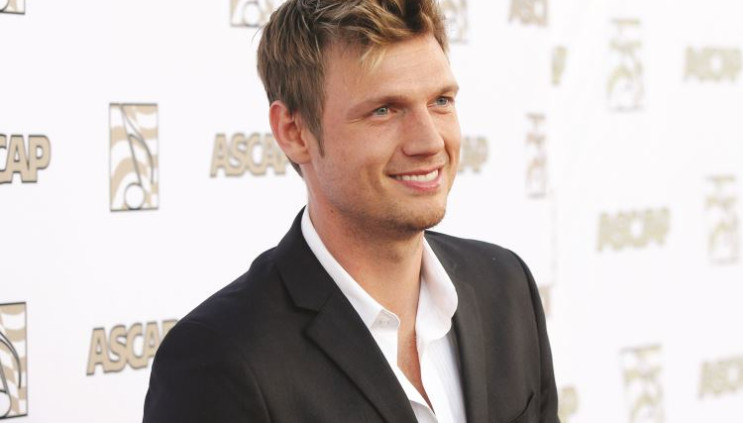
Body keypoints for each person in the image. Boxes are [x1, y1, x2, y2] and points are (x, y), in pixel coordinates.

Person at [143, 0, 558, 422]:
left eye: (441, 101)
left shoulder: (506, 289)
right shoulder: (222, 359)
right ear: (294, 131)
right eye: (384, 110)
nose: (430, 141)